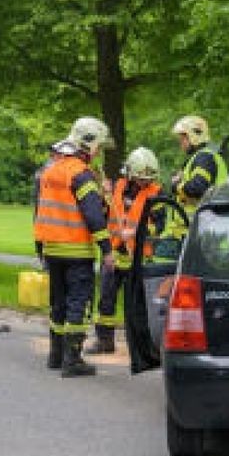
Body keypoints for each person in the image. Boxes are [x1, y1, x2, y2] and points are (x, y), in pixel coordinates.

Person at [33, 117, 115, 377]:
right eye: (99, 147)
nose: (99, 152)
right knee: (78, 304)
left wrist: (40, 248)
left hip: (52, 250)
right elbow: (94, 216)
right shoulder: (81, 174)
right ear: (88, 145)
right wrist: (107, 249)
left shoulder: (51, 170)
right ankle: (73, 360)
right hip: (77, 250)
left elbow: (40, 211)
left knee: (57, 303)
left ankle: (55, 356)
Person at [89, 147, 164, 355]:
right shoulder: (117, 187)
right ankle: (104, 341)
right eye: (140, 178)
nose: (144, 182)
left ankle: (139, 347)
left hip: (138, 258)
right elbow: (104, 214)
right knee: (105, 300)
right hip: (113, 254)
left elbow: (160, 227)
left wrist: (136, 232)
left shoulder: (157, 193)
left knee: (137, 306)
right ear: (130, 173)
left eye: (148, 179)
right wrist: (103, 196)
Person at [170, 115, 227, 220]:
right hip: (197, 226)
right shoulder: (200, 158)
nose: (180, 142)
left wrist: (176, 185)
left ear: (193, 137)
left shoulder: (204, 158)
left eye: (183, 138)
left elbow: (198, 188)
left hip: (200, 226)